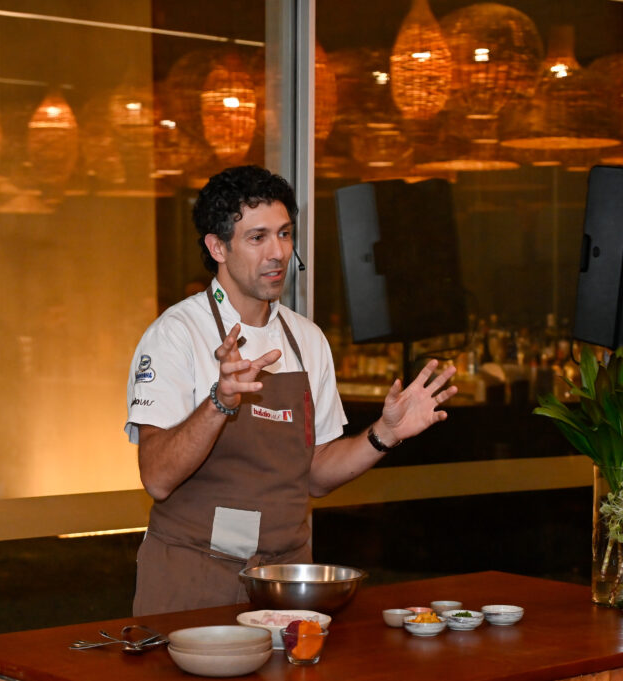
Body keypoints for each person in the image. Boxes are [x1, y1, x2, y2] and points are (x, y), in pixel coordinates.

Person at [125, 165, 456, 615]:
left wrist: (384, 433)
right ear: (217, 246)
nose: (278, 252)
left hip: (286, 579)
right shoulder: (177, 335)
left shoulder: (307, 339)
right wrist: (220, 401)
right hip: (196, 578)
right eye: (257, 237)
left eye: (284, 233)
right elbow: (157, 478)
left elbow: (315, 474)